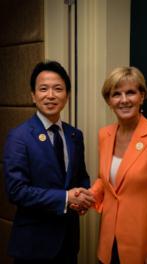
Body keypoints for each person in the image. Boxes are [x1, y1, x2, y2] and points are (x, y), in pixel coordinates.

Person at [3, 60, 94, 264]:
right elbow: (16, 191)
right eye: (43, 89)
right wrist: (65, 198)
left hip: (68, 242)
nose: (51, 95)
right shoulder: (19, 136)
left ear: (67, 95)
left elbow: (81, 177)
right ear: (33, 96)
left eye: (58, 89)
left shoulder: (74, 135)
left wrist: (83, 196)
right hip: (34, 245)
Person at [90, 66, 147, 264]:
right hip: (108, 240)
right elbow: (107, 181)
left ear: (142, 96)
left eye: (130, 92)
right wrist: (88, 195)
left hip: (141, 244)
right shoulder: (105, 134)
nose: (124, 100)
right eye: (116, 94)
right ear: (109, 101)